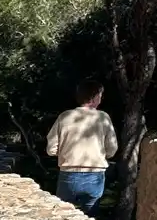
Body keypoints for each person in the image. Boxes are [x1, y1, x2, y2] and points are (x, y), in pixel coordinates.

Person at [45, 80, 119, 213]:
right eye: (100, 96)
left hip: (69, 173)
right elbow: (112, 148)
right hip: (95, 174)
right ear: (95, 97)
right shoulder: (103, 118)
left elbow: (51, 149)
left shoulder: (65, 116)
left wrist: (65, 153)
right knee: (91, 219)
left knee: (63, 216)